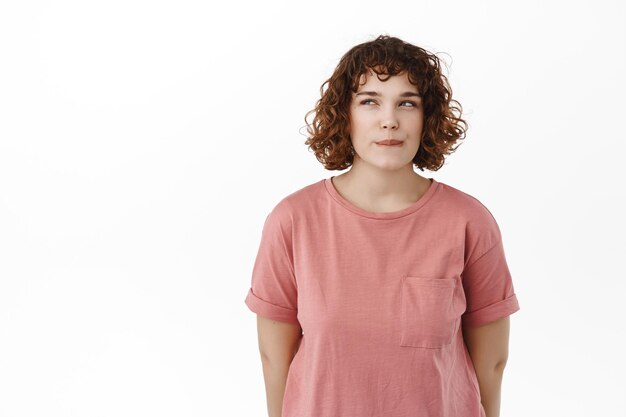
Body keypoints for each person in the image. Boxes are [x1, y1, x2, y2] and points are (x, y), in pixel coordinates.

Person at [244, 34, 520, 417]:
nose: (389, 121)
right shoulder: (293, 221)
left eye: (407, 103)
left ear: (428, 117)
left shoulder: (469, 221)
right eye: (370, 101)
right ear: (346, 113)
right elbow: (274, 357)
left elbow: (492, 362)